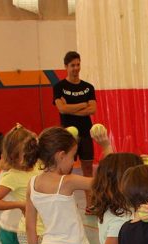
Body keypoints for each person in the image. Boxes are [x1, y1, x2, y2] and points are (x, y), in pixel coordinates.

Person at [53, 51, 96, 214]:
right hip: (67, 137)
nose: (76, 68)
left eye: (78, 64)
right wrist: (82, 105)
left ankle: (90, 205)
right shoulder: (59, 87)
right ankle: (64, 204)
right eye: (72, 65)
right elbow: (61, 109)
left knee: (87, 170)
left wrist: (70, 108)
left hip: (85, 133)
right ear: (66, 67)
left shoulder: (88, 87)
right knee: (65, 170)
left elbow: (92, 109)